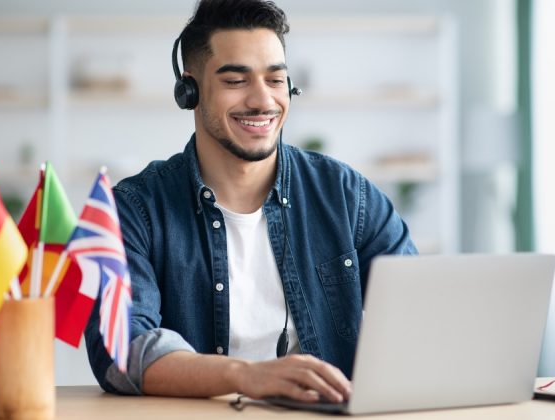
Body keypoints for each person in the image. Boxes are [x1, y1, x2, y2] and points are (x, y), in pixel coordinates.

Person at [85, 0, 417, 403]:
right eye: (235, 81)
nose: (263, 101)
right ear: (189, 91)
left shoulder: (347, 196)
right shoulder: (136, 209)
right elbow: (122, 351)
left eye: (276, 80)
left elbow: (422, 317)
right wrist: (245, 376)